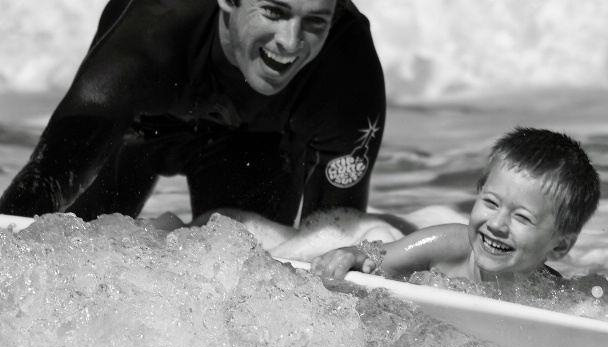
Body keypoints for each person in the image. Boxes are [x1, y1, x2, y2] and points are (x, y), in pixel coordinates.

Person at [0, 0, 385, 229]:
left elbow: (333, 236)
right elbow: (40, 187)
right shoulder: (152, 34)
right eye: (272, 10)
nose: (290, 42)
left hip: (255, 145)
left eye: (316, 21)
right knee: (69, 236)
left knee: (246, 278)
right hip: (136, 126)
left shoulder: (348, 70)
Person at [310, 127, 601, 282]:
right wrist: (349, 256)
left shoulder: (553, 295)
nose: (497, 224)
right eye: (490, 202)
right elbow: (372, 258)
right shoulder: (449, 246)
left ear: (560, 246)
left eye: (522, 218)